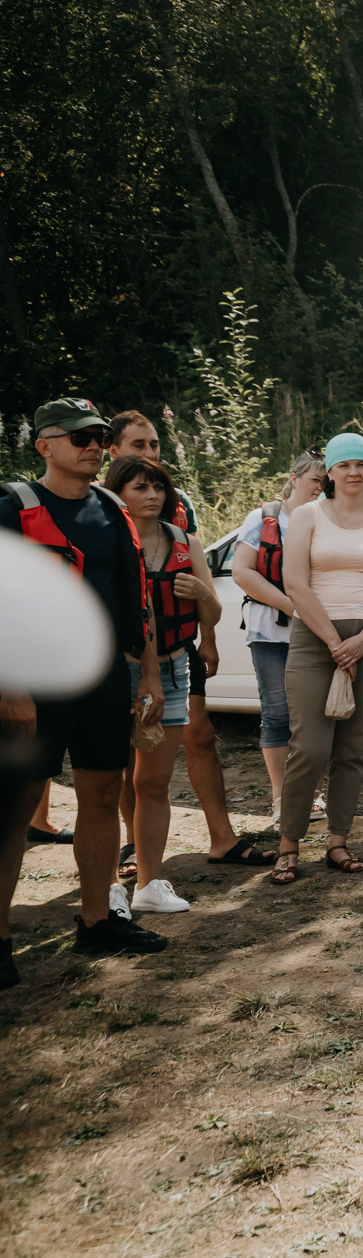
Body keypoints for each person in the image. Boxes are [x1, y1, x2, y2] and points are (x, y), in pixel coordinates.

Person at [0, 399, 167, 957]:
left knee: (100, 793)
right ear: (44, 446)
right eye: (79, 438)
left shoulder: (112, 509)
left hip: (102, 678)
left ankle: (97, 922)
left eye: (98, 436)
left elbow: (134, 599)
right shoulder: (12, 506)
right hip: (32, 682)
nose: (93, 445)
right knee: (16, 805)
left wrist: (148, 675)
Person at [101, 411, 248, 867]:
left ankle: (213, 841)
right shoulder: (102, 524)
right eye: (139, 446)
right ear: (114, 452)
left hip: (176, 656)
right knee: (121, 763)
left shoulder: (180, 515)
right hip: (119, 663)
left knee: (193, 740)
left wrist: (208, 633)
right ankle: (130, 845)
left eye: (155, 447)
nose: (150, 456)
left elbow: (202, 583)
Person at [272, 433, 363, 885]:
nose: (353, 472)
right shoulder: (307, 516)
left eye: (361, 465)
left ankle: (338, 841)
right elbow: (295, 583)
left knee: (352, 749)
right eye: (344, 464)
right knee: (309, 747)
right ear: (328, 471)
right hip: (315, 639)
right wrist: (334, 643)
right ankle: (289, 844)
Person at [101, 454, 221, 914]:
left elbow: (212, 616)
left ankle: (149, 884)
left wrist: (204, 595)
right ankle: (108, 887)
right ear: (119, 495)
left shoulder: (185, 542)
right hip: (118, 669)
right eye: (139, 488)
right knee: (107, 782)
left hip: (173, 667)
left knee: (153, 782)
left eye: (157, 487)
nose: (151, 495)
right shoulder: (108, 542)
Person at [232, 452, 327, 827]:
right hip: (271, 631)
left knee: (314, 716)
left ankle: (313, 796)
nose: (320, 488)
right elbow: (242, 571)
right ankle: (281, 799)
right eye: (315, 480)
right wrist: (294, 607)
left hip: (318, 629)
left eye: (325, 482)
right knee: (277, 714)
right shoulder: (263, 518)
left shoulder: (328, 519)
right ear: (294, 478)